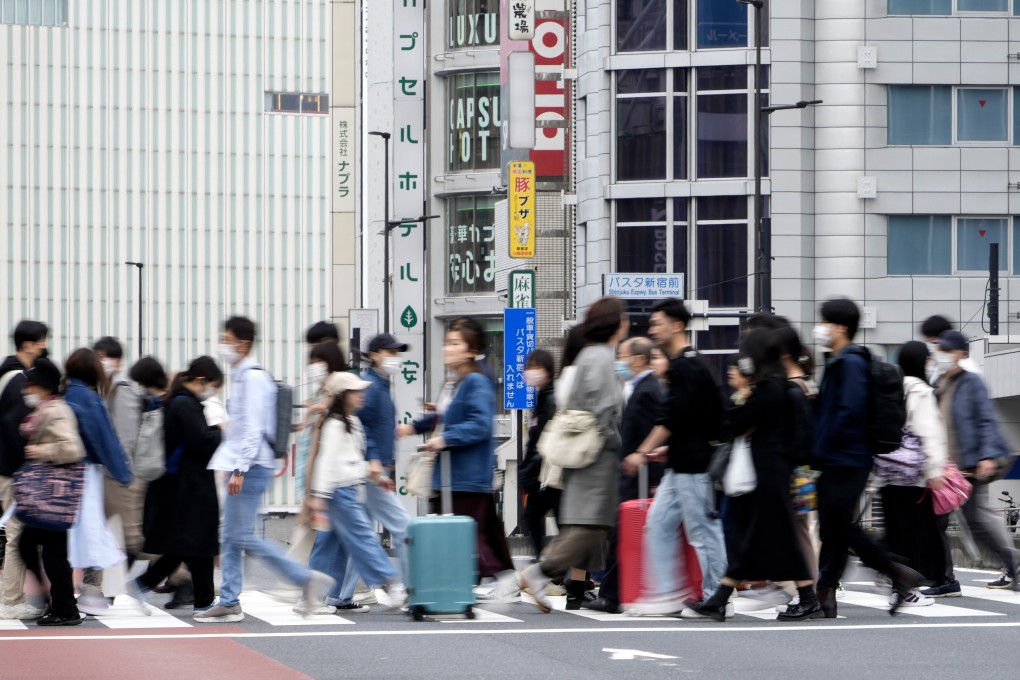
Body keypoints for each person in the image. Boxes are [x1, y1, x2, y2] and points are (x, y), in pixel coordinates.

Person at [197, 316, 333, 623]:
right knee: (232, 536)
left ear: (243, 343)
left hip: (251, 467)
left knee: (238, 535)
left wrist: (240, 469)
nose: (223, 344)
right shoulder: (243, 376)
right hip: (246, 465)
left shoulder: (254, 378)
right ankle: (230, 599)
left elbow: (254, 428)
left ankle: (300, 579)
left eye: (227, 338)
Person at [687, 330, 823, 622]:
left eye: (746, 354)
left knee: (772, 537)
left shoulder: (770, 389)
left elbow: (734, 422)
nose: (742, 360)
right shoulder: (772, 386)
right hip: (768, 472)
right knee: (751, 537)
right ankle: (720, 599)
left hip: (768, 474)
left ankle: (807, 598)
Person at [812, 298, 923, 617]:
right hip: (843, 457)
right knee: (833, 527)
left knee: (838, 523)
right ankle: (826, 592)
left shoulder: (849, 363)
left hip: (846, 457)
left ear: (841, 327)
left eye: (826, 323)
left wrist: (822, 448)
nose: (821, 328)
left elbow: (847, 411)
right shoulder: (840, 361)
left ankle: (895, 572)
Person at [621, 298, 727, 616]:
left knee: (702, 530)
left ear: (677, 326)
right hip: (681, 461)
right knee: (658, 524)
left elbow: (672, 418)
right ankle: (667, 593)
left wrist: (640, 453)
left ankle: (716, 597)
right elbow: (696, 417)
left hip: (694, 464)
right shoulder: (690, 364)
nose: (652, 329)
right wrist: (664, 449)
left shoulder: (685, 366)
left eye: (657, 323)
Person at [519, 297, 627, 613]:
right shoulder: (601, 357)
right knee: (590, 524)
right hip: (595, 453)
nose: (627, 323)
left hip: (586, 450)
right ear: (613, 322)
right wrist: (615, 440)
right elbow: (604, 410)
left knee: (590, 524)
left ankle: (547, 575)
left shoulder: (591, 356)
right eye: (623, 318)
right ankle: (539, 572)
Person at [397, 318, 517, 598]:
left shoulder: (475, 381)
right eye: (446, 343)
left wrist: (445, 438)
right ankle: (486, 580)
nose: (446, 348)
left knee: (465, 534)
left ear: (470, 350)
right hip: (453, 474)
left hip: (465, 473)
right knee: (468, 531)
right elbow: (445, 417)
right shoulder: (455, 381)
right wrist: (413, 427)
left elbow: (480, 424)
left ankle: (495, 580)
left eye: (454, 343)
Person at [305, 372, 407, 612]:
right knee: (364, 538)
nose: (362, 395)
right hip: (339, 493)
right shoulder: (336, 425)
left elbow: (351, 461)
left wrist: (376, 476)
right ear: (343, 396)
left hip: (342, 490)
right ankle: (392, 584)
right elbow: (326, 461)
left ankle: (310, 596)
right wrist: (319, 495)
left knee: (330, 546)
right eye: (356, 391)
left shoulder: (352, 422)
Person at [131, 357, 224, 613]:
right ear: (202, 380)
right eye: (213, 385)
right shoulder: (185, 405)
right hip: (189, 487)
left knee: (189, 545)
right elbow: (201, 441)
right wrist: (220, 430)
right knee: (197, 544)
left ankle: (145, 585)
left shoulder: (178, 401)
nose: (212, 391)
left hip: (181, 486)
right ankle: (203, 601)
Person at [584, 337, 664, 614]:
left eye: (623, 356)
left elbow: (652, 435)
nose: (619, 362)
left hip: (639, 478)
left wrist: (655, 480)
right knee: (622, 535)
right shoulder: (636, 387)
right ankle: (614, 592)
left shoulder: (648, 390)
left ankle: (613, 595)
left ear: (638, 359)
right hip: (632, 477)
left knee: (623, 536)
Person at [933, 330, 1017, 590]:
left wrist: (987, 455)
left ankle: (1013, 565)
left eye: (947, 350)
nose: (942, 354)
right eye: (940, 349)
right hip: (951, 468)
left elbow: (986, 419)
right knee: (959, 520)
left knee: (977, 521)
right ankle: (942, 577)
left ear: (961, 353)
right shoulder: (942, 383)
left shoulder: (971, 382)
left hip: (971, 464)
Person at [61, 348, 142, 613]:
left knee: (65, 534)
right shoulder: (90, 399)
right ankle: (90, 594)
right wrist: (122, 473)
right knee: (91, 531)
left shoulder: (64, 394)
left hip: (59, 472)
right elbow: (105, 440)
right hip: (85, 473)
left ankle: (59, 593)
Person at [872, 341, 947, 608]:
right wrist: (935, 469)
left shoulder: (893, 386)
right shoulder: (921, 391)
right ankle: (904, 589)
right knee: (911, 535)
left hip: (887, 470)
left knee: (893, 531)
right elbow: (930, 433)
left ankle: (893, 583)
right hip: (911, 475)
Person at [16, 358, 87, 626]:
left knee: (42, 550)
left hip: (53, 496)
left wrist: (40, 451)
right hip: (51, 497)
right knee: (48, 551)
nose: (27, 391)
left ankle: (63, 607)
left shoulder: (55, 411)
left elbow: (72, 449)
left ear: (44, 386)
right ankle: (61, 605)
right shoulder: (48, 409)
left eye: (31, 385)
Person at [0, 320, 49, 620]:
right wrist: (25, 470)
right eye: (42, 341)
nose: (44, 346)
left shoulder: (7, 374)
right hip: (13, 470)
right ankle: (11, 600)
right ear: (29, 344)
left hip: (5, 467)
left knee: (16, 532)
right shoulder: (18, 380)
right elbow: (14, 428)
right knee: (18, 534)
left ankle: (12, 597)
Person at [518, 349, 559, 561]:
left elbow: (545, 441)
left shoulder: (550, 399)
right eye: (529, 367)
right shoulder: (543, 398)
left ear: (548, 371)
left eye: (536, 367)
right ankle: (554, 568)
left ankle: (553, 568)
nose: (531, 372)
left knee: (537, 517)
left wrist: (528, 471)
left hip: (546, 474)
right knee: (538, 518)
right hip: (543, 474)